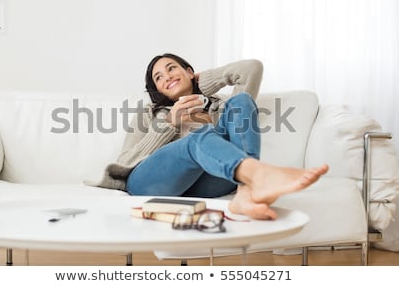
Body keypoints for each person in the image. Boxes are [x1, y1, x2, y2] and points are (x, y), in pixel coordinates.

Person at [98, 53, 328, 220]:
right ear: (158, 90)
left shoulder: (218, 107)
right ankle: (257, 177)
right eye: (158, 78)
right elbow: (126, 159)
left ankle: (246, 191)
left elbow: (251, 67)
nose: (167, 77)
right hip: (151, 183)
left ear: (189, 72)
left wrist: (203, 88)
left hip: (206, 182)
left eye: (171, 68)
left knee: (242, 101)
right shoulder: (149, 114)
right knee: (199, 137)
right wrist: (169, 124)